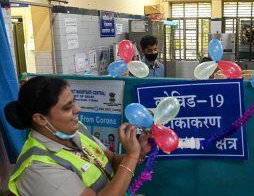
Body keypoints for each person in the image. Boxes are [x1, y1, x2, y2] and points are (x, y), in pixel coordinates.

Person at [4, 76, 151, 196]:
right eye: (68, 107)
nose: (78, 109)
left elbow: (111, 160)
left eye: (73, 101)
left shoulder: (76, 130)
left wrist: (138, 152)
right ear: (41, 119)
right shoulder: (38, 167)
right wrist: (131, 156)